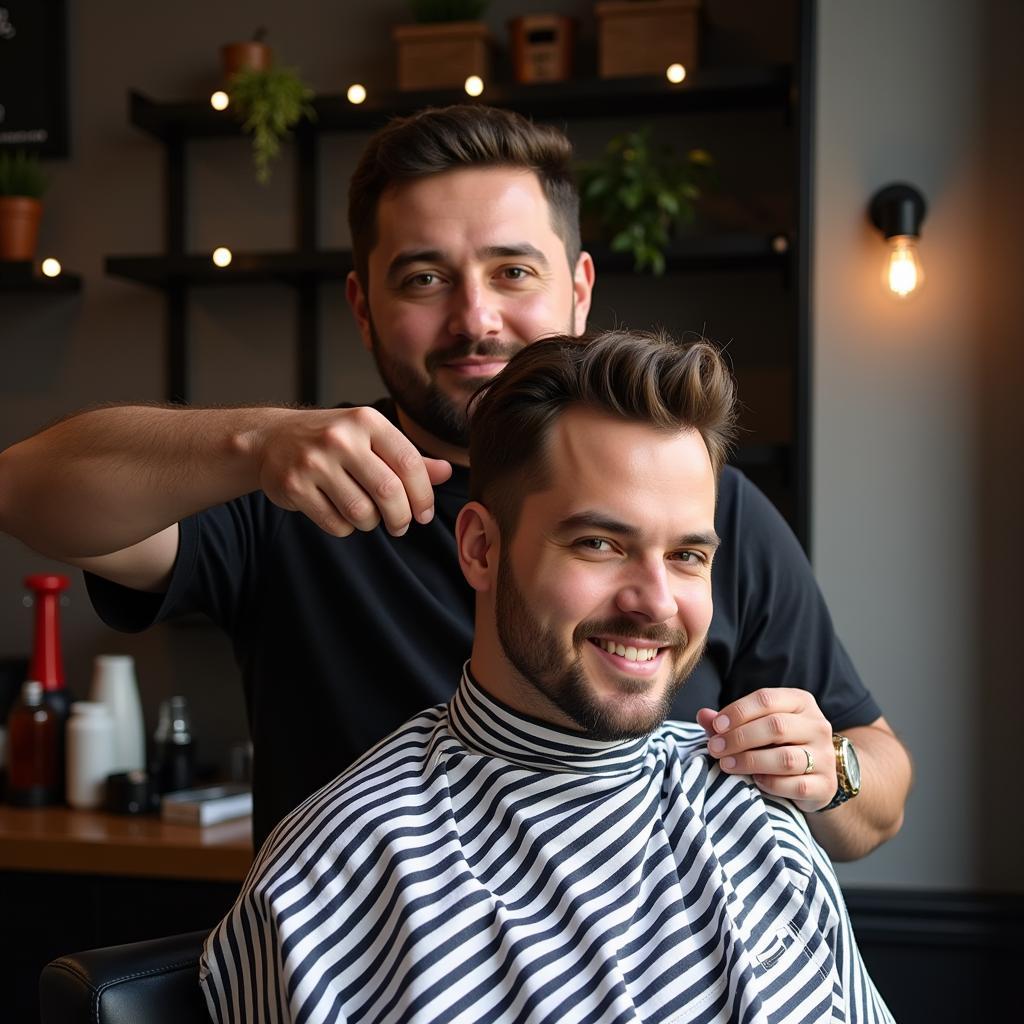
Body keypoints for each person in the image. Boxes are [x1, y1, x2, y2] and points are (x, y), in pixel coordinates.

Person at [0, 105, 910, 857]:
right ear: (364, 306)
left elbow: (880, 790)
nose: (476, 319)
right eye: (425, 278)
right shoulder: (292, 497)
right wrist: (251, 442)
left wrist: (830, 768)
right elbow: (23, 489)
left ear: (579, 290)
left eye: (513, 271)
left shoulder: (704, 514)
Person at [199, 330, 894, 1024]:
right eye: (600, 543)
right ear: (480, 548)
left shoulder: (755, 816)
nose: (654, 602)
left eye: (687, 555)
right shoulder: (330, 880)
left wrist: (830, 768)